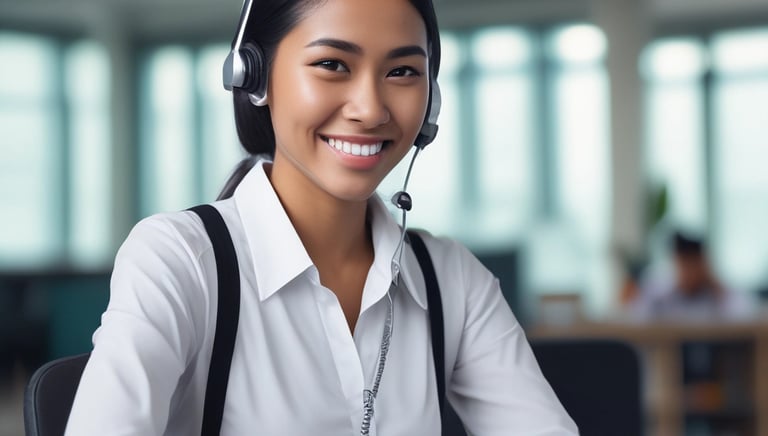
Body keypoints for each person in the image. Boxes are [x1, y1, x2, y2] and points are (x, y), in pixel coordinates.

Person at [65, 0, 577, 434]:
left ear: (432, 101)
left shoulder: (451, 281)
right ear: (254, 75)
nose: (370, 108)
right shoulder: (181, 261)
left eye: (402, 71)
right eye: (333, 64)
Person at [629, 231, 751, 320]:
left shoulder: (715, 291)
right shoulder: (659, 287)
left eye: (694, 264)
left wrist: (718, 290)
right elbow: (637, 317)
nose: (689, 272)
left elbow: (746, 313)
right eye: (684, 264)